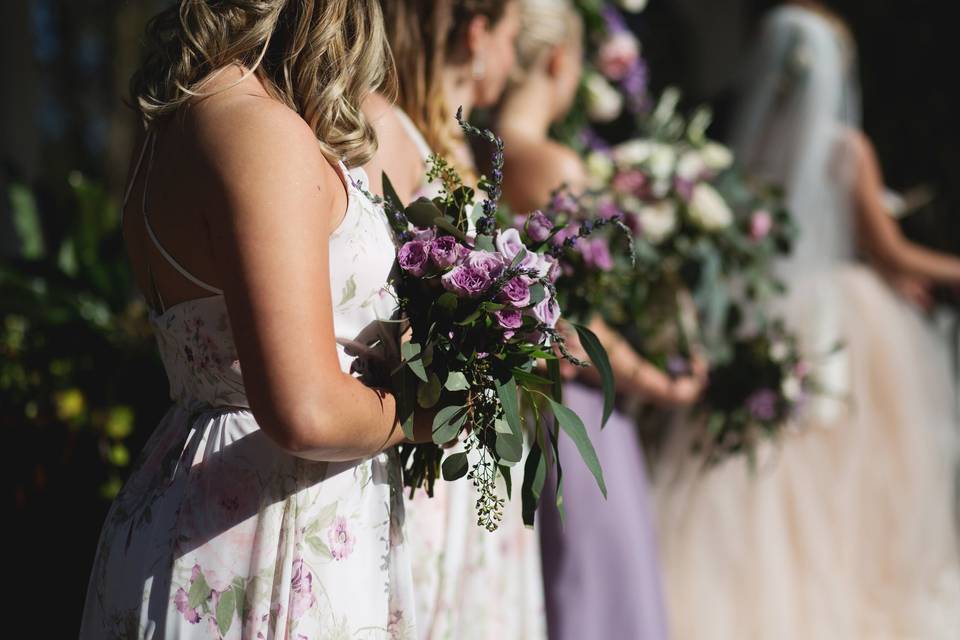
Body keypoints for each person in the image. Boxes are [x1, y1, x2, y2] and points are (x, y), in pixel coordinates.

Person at [79, 1, 432, 636]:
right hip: (266, 530)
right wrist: (427, 410)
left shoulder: (167, 127)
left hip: (182, 497)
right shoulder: (258, 132)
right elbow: (307, 411)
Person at [653, 3, 960, 638]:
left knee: (760, 473)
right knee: (844, 474)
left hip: (760, 315)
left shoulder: (752, 144)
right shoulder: (846, 147)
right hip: (833, 324)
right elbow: (890, 250)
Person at [496, 1, 708, 638]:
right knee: (602, 600)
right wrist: (657, 381)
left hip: (519, 410)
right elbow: (576, 324)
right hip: (580, 407)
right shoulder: (555, 164)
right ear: (561, 58)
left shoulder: (469, 151)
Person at [364, 3, 547, 639]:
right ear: (476, 34)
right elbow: (381, 301)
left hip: (465, 450)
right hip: (435, 448)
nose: (514, 56)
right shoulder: (390, 132)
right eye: (511, 36)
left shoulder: (451, 144)